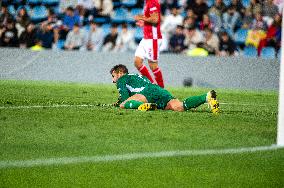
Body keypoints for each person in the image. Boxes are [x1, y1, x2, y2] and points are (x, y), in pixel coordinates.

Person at [110, 64, 220, 113]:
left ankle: (143, 106)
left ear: (120, 73)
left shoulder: (122, 79)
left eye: (113, 76)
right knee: (179, 107)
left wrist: (120, 102)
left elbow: (124, 98)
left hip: (146, 93)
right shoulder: (138, 76)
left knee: (123, 105)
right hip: (158, 90)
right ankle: (207, 96)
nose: (113, 80)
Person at [134, 0, 164, 88]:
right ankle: (152, 86)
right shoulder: (147, 2)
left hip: (153, 39)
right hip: (146, 38)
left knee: (153, 65)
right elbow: (152, 19)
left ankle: (162, 90)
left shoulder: (152, 2)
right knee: (137, 62)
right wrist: (143, 23)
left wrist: (141, 18)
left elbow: (155, 19)